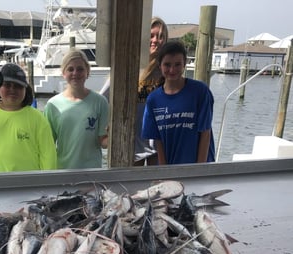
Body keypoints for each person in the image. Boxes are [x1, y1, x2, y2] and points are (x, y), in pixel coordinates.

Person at [100, 17, 168, 166]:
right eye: (151, 35)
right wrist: (105, 130)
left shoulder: (167, 70)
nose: (156, 40)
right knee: (131, 187)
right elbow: (101, 99)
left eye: (160, 36)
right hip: (131, 143)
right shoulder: (128, 67)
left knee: (158, 186)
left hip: (158, 145)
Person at [0, 63, 57, 173]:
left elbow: (48, 155)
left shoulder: (38, 119)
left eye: (18, 86)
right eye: (7, 85)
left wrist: (46, 185)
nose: (12, 89)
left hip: (29, 187)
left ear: (25, 90)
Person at [141, 40, 215, 165]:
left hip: (199, 166)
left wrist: (199, 168)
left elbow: (205, 132)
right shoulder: (153, 100)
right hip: (171, 168)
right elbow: (158, 140)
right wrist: (165, 171)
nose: (172, 69)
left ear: (184, 64)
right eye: (167, 64)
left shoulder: (200, 91)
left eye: (177, 64)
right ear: (160, 66)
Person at [44, 49, 109, 169]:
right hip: (62, 171)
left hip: (92, 171)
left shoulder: (100, 102)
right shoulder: (52, 105)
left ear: (87, 72)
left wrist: (116, 135)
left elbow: (104, 142)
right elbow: (47, 145)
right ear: (63, 73)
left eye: (80, 69)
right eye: (70, 69)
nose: (75, 73)